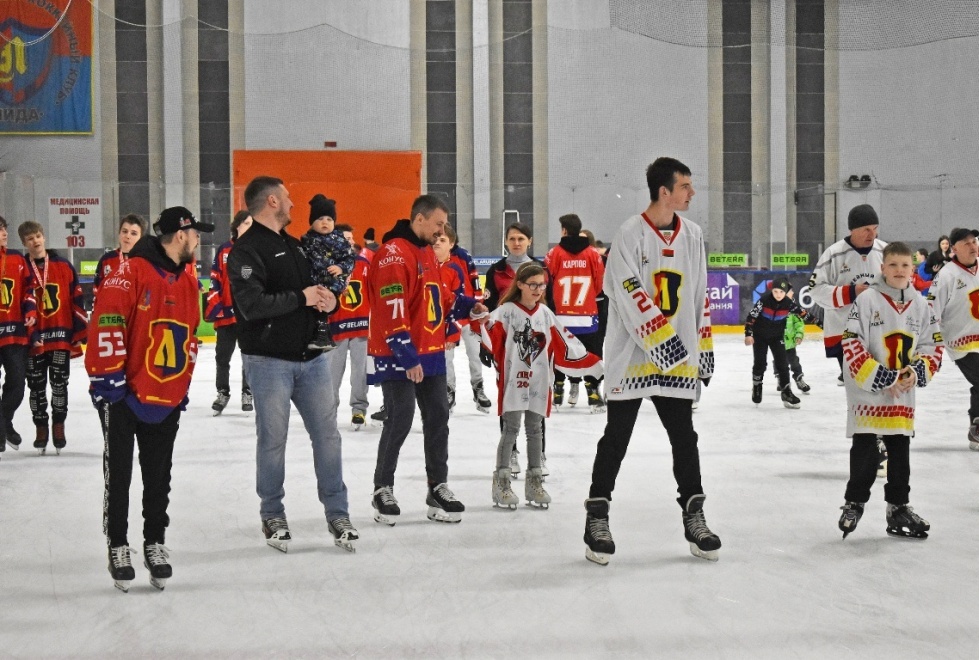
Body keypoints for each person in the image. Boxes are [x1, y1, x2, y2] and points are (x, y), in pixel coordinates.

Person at [583, 157, 719, 565]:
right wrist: (662, 341)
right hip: (632, 356)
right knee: (616, 438)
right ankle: (596, 518)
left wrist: (702, 348)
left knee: (685, 439)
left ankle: (694, 516)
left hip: (678, 360)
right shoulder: (630, 233)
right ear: (665, 191)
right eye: (685, 186)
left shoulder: (693, 235)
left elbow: (699, 295)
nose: (692, 193)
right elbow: (622, 289)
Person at [86, 206, 214, 592]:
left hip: (166, 396)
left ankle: (154, 541)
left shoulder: (187, 281)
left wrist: (181, 387)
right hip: (123, 395)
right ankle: (118, 544)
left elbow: (190, 336)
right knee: (120, 474)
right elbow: (107, 320)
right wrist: (110, 384)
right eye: (195, 234)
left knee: (159, 477)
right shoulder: (130, 272)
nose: (198, 241)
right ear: (181, 235)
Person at [228, 176, 358, 553]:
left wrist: (329, 301)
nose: (292, 203)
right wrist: (302, 298)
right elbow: (252, 306)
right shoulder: (246, 251)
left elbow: (317, 292)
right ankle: (272, 512)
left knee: (328, 437)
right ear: (272, 201)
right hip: (269, 361)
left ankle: (337, 512)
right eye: (286, 197)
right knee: (273, 440)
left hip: (312, 358)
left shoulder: (296, 245)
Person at [367, 194, 485, 525]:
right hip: (399, 354)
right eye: (438, 224)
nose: (441, 231)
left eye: (444, 225)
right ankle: (382, 488)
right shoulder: (393, 254)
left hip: (430, 352)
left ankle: (437, 487)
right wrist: (407, 356)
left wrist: (469, 306)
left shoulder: (425, 252)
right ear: (419, 219)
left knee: (437, 418)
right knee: (400, 418)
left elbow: (439, 297)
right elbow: (391, 307)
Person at [837, 242, 941, 541]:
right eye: (893, 265)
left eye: (905, 265)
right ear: (882, 268)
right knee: (865, 451)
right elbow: (851, 342)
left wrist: (914, 372)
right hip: (869, 393)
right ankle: (854, 502)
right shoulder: (867, 300)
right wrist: (884, 377)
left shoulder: (921, 305)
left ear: (913, 269)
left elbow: (932, 345)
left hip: (902, 393)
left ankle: (898, 507)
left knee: (900, 453)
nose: (899, 270)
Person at [477, 262, 601, 510]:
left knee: (535, 430)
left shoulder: (545, 314)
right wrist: (479, 320)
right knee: (511, 429)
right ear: (520, 285)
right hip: (514, 379)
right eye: (532, 284)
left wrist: (592, 363)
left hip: (539, 379)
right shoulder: (506, 311)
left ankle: (534, 482)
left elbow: (565, 343)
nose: (537, 289)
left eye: (541, 285)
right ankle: (501, 482)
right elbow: (488, 332)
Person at [481, 222, 547, 477]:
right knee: (509, 397)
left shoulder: (541, 269)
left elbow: (548, 306)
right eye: (512, 238)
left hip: (537, 346)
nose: (516, 243)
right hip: (507, 347)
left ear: (529, 241)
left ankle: (539, 453)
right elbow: (488, 310)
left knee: (537, 397)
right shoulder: (496, 270)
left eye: (521, 238)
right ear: (506, 241)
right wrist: (485, 343)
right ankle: (512, 453)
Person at [18, 221, 87, 455]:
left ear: (44, 237)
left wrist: (79, 332)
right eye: (30, 239)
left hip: (59, 336)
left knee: (59, 385)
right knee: (36, 387)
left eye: (38, 236)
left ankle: (58, 424)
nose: (35, 241)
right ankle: (40, 427)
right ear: (24, 243)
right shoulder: (21, 268)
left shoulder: (63, 265)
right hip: (33, 339)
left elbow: (76, 299)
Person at [809, 204, 887, 386]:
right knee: (859, 385)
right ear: (852, 229)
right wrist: (852, 292)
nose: (872, 234)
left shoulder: (886, 251)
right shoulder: (833, 254)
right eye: (866, 229)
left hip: (880, 329)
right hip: (843, 330)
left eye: (875, 228)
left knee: (877, 384)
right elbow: (815, 289)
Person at [544, 214, 606, 412]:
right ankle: (593, 393)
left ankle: (558, 389)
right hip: (587, 316)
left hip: (561, 316)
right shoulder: (593, 254)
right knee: (590, 353)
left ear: (563, 230)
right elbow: (599, 285)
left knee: (560, 352)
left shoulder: (554, 253)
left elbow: (546, 282)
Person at [927, 227, 979, 451]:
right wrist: (933, 348)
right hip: (961, 343)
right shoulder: (946, 276)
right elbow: (932, 313)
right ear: (954, 249)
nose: (973, 246)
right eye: (966, 243)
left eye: (974, 241)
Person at [206, 210, 254, 415]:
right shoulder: (224, 249)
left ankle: (247, 392)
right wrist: (216, 305)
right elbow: (215, 278)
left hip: (248, 315)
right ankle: (222, 392)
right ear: (237, 225)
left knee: (249, 356)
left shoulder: (256, 250)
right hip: (226, 314)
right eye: (247, 223)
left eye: (252, 224)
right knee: (222, 357)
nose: (250, 227)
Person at [324, 223, 371, 430]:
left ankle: (359, 409)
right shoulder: (327, 267)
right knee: (332, 375)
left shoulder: (364, 263)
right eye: (347, 238)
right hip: (336, 328)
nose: (352, 242)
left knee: (360, 373)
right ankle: (328, 413)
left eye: (352, 238)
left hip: (361, 327)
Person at [443, 223, 492, 414]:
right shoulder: (432, 259)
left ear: (452, 241)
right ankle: (448, 390)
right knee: (447, 357)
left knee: (474, 354)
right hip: (448, 317)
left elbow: (475, 282)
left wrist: (477, 309)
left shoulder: (463, 256)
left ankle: (478, 388)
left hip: (468, 314)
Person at [0, 215, 37, 454]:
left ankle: (3, 424)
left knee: (17, 382)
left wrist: (30, 309)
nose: (5, 233)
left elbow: (29, 289)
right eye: (0, 230)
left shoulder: (16, 258)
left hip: (14, 333)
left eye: (5, 228)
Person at [301, 194, 356, 351]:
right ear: (312, 222)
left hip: (332, 281)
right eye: (320, 219)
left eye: (329, 219)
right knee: (314, 308)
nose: (325, 222)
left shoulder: (339, 240)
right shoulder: (307, 240)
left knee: (322, 307)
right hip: (313, 280)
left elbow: (350, 258)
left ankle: (323, 335)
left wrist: (341, 268)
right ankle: (319, 335)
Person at [744, 278, 806, 408]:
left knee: (783, 364)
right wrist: (748, 334)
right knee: (760, 363)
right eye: (776, 291)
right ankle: (757, 386)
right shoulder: (764, 300)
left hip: (777, 336)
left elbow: (804, 315)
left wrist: (820, 323)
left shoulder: (789, 303)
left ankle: (786, 391)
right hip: (760, 336)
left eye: (781, 292)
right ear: (772, 290)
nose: (778, 294)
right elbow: (752, 316)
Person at [92, 214, 145, 303]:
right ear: (119, 233)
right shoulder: (107, 259)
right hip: (110, 311)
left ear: (141, 238)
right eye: (124, 231)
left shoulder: (145, 261)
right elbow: (97, 290)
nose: (127, 236)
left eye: (133, 233)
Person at [783, 289, 810, 394]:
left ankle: (799, 379)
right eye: (790, 291)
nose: (793, 292)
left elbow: (799, 324)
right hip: (777, 343)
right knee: (779, 363)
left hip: (790, 344)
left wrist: (799, 335)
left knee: (794, 362)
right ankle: (781, 379)